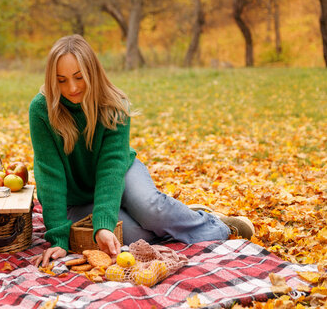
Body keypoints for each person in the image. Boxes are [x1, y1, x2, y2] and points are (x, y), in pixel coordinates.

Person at [29, 34, 254, 267]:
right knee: (136, 234)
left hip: (119, 171)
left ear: (92, 72)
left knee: (149, 209)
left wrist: (103, 223)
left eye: (79, 77)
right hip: (75, 197)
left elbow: (111, 167)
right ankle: (177, 219)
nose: (72, 87)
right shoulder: (41, 109)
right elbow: (49, 174)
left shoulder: (113, 105)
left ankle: (215, 225)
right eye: (61, 80)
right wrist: (58, 238)